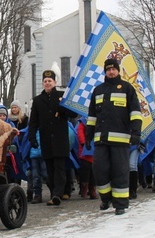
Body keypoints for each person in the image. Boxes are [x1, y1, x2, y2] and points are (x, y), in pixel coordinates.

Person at [84, 59, 142, 215]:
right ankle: (106, 198)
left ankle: (120, 204)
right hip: (101, 140)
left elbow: (136, 113)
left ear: (118, 70)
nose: (111, 72)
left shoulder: (127, 88)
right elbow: (92, 116)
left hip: (121, 140)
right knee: (99, 170)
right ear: (105, 72)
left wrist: (136, 133)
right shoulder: (98, 90)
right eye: (108, 69)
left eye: (114, 69)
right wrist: (88, 135)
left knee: (120, 171)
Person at [28, 69, 77, 206]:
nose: (47, 83)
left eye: (50, 81)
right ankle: (54, 193)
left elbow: (73, 114)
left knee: (60, 167)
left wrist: (63, 108)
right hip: (46, 140)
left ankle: (57, 194)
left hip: (60, 139)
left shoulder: (62, 96)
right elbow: (33, 122)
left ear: (55, 82)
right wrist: (32, 138)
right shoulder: (37, 100)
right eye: (45, 81)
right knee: (49, 170)